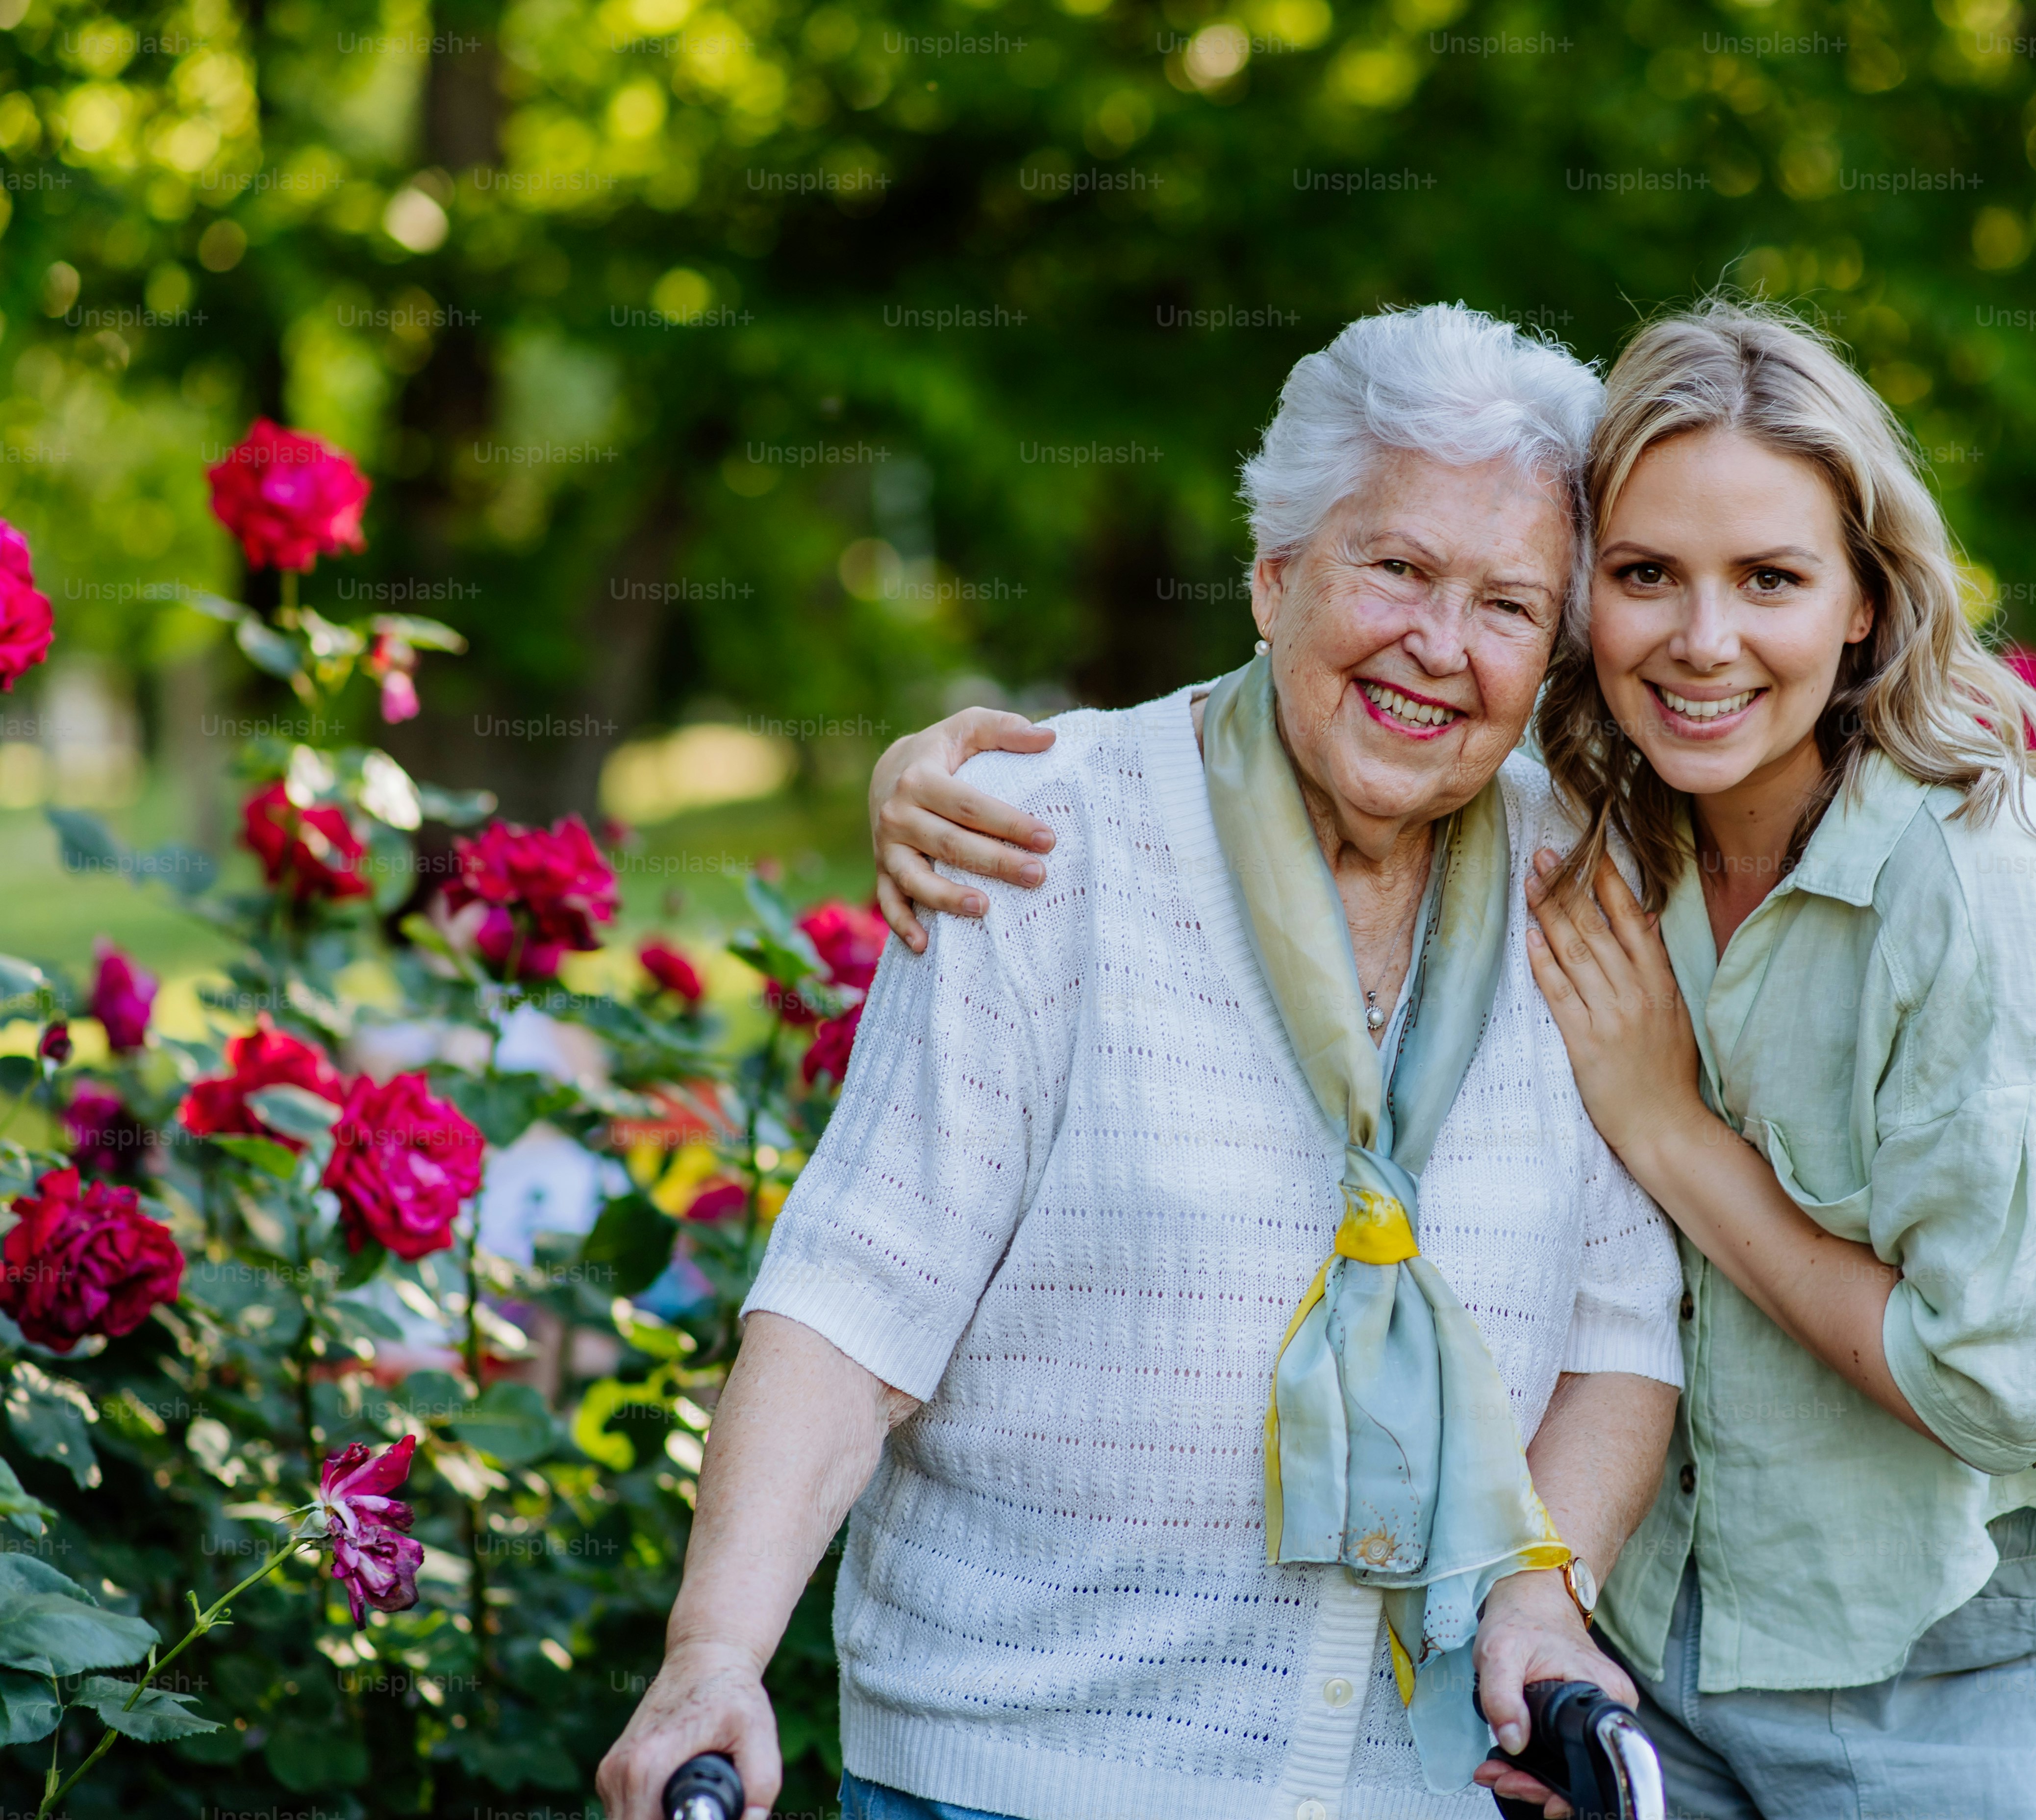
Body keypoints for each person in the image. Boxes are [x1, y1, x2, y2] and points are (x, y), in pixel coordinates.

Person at [870, 300, 2036, 1819]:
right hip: (1661, 1654)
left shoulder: (1971, 879)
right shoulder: (1593, 818)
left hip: (1959, 1670)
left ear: (1864, 602)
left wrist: (1668, 1127)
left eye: (1770, 579)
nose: (1704, 642)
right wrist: (928, 778)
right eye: (1645, 577)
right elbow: (1337, 712)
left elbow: (1998, 1382)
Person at [597, 304, 1685, 1820]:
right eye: (1397, 569)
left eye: (1509, 604)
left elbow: (1621, 1327)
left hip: (1413, 1787)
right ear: (1274, 573)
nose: (1441, 645)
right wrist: (712, 1660)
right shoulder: (1044, 838)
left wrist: (1543, 1593)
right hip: (1016, 1770)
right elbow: (856, 1301)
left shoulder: (1578, 887)